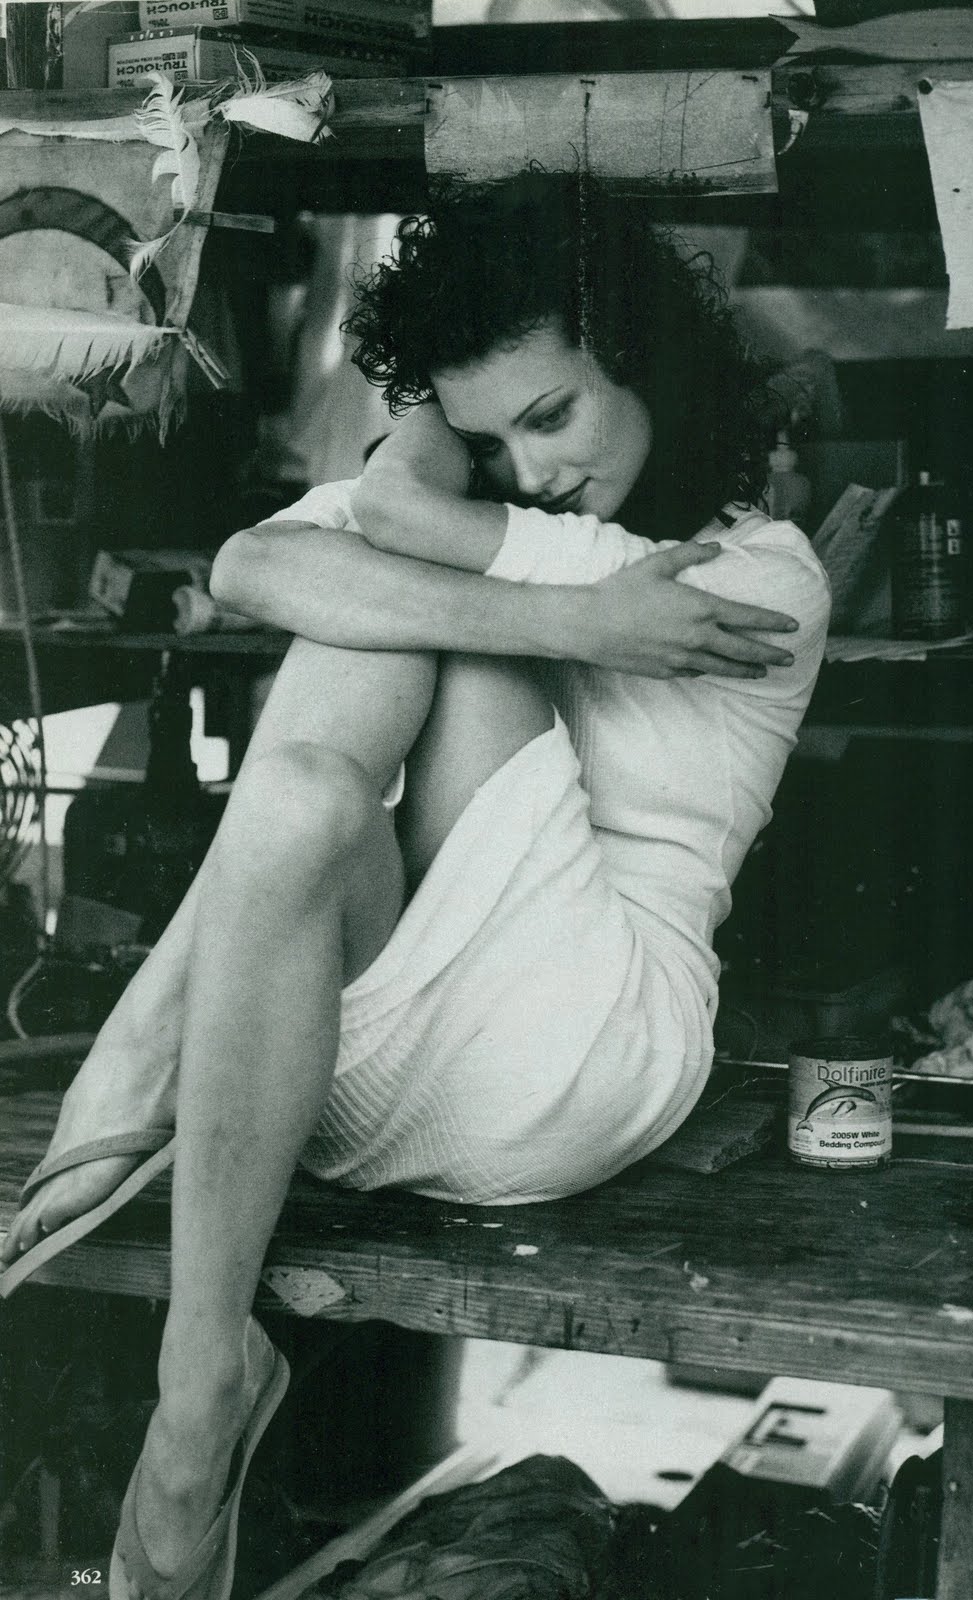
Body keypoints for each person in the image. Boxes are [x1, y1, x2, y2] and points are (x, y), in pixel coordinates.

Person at [0, 170, 830, 1596]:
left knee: (396, 619)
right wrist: (566, 611)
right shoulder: (536, 545)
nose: (532, 467)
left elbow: (352, 549)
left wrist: (433, 491)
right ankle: (203, 1372)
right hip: (325, 1083)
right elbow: (249, 565)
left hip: (582, 1053)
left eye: (551, 414)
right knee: (309, 793)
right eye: (489, 437)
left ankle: (150, 1078)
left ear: (644, 353)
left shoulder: (760, 573)